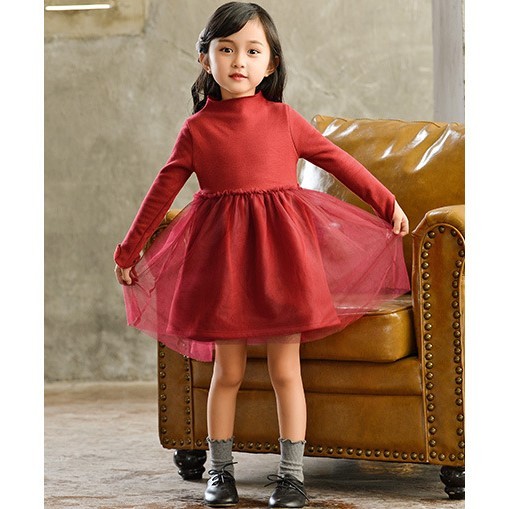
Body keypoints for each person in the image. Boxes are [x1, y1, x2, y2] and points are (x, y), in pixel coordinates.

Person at [113, 2, 410, 507]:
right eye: (226, 49)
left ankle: (291, 476)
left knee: (285, 372)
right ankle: (219, 471)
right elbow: (162, 191)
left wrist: (387, 202)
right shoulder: (197, 130)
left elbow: (338, 162)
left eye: (253, 51)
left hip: (284, 264)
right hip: (223, 267)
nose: (239, 61)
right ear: (205, 58)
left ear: (271, 63)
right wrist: (129, 248)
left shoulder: (284, 119)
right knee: (227, 373)